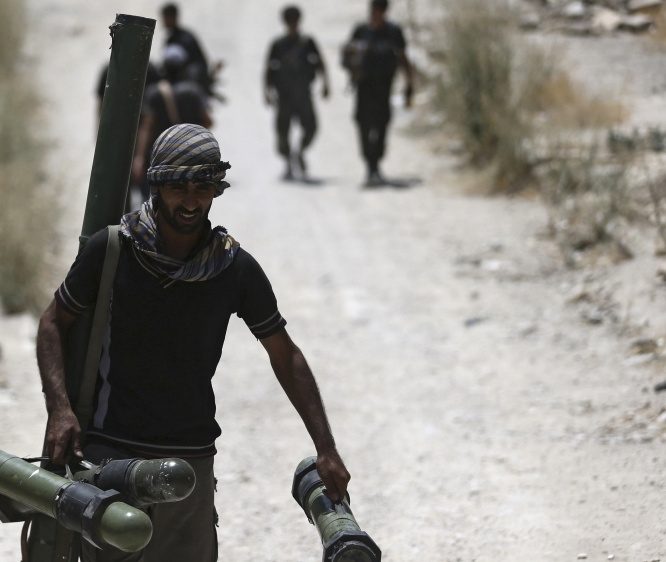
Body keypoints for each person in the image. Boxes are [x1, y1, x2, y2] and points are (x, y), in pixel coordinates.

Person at [37, 124, 352, 562]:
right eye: (178, 187)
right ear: (156, 185)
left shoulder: (233, 268)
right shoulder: (112, 250)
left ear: (216, 189)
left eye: (202, 187)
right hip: (111, 456)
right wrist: (60, 409)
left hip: (191, 461)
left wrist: (326, 448)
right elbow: (53, 323)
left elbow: (286, 356)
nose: (190, 201)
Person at [131, 45, 213, 203]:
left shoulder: (154, 92)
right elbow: (208, 121)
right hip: (186, 158)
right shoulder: (194, 91)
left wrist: (139, 157)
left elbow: (147, 126)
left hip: (158, 157)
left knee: (151, 201)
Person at [346, 0, 413, 187]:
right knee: (363, 125)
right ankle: (370, 166)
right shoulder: (361, 31)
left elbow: (403, 56)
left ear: (384, 12)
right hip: (364, 88)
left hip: (384, 88)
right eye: (372, 11)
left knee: (382, 125)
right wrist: (353, 71)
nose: (374, 15)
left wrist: (409, 82)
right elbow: (350, 56)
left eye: (377, 11)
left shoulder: (393, 32)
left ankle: (375, 163)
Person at [265, 6, 330, 181]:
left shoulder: (307, 43)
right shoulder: (278, 45)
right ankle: (288, 162)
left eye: (295, 21)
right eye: (290, 21)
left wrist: (326, 84)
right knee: (282, 132)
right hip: (284, 96)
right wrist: (266, 92)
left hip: (303, 95)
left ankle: (299, 152)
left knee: (311, 128)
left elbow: (320, 62)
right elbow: (268, 68)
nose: (292, 25)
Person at [160, 3, 217, 99]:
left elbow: (197, 63)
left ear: (174, 17)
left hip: (188, 86)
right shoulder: (170, 39)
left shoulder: (186, 37)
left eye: (166, 17)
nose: (164, 21)